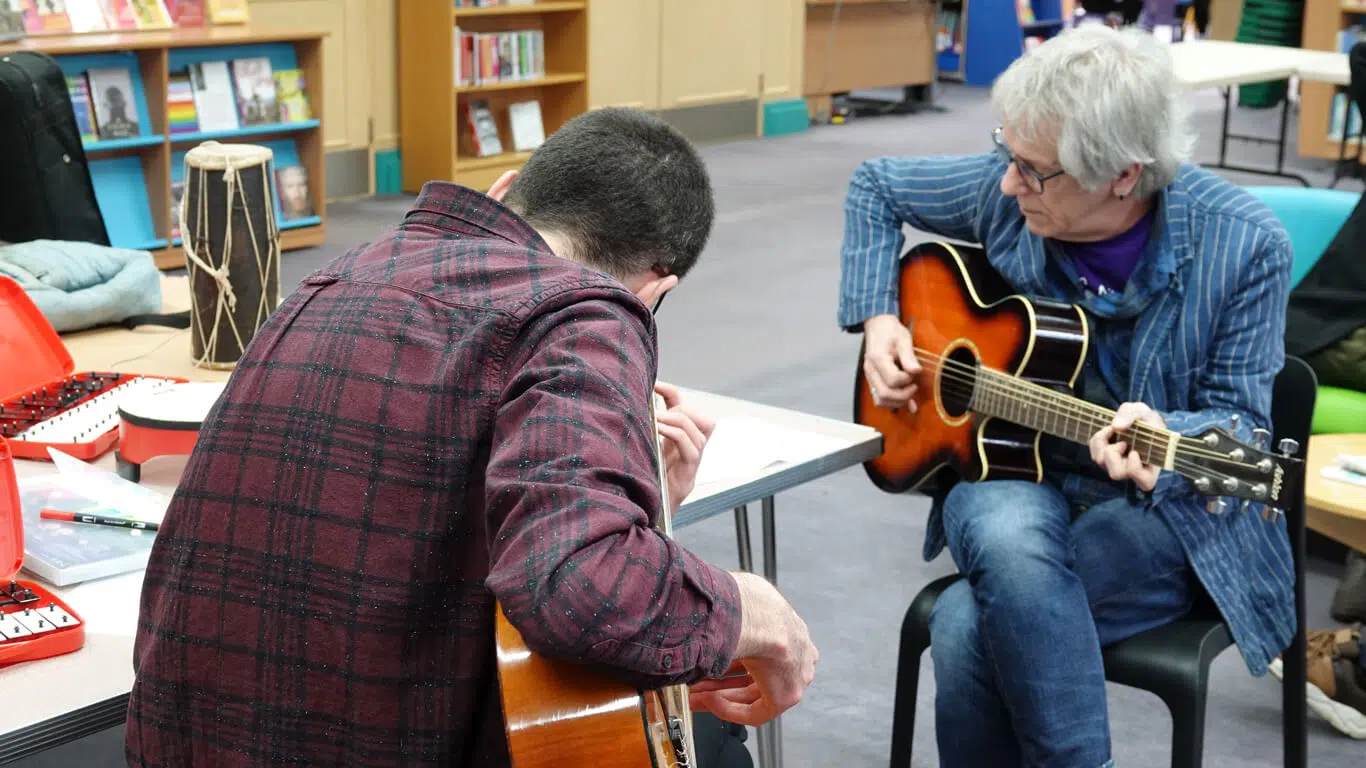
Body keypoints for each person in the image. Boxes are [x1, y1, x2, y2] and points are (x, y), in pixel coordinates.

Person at [125, 107, 818, 767]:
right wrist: (750, 605)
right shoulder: (586, 315)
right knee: (715, 747)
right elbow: (577, 588)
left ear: (506, 189)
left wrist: (636, 498)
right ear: (653, 291)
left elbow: (417, 504)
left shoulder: (339, 276)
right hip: (380, 740)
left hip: (186, 738)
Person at [839, 25, 1294, 767]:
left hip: (1161, 513)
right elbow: (875, 186)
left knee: (963, 625)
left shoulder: (1244, 245)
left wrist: (1169, 434)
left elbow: (1241, 424)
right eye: (1008, 155)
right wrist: (880, 317)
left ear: (1123, 175)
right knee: (1009, 541)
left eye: (1034, 171)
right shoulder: (1009, 187)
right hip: (1011, 474)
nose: (1011, 184)